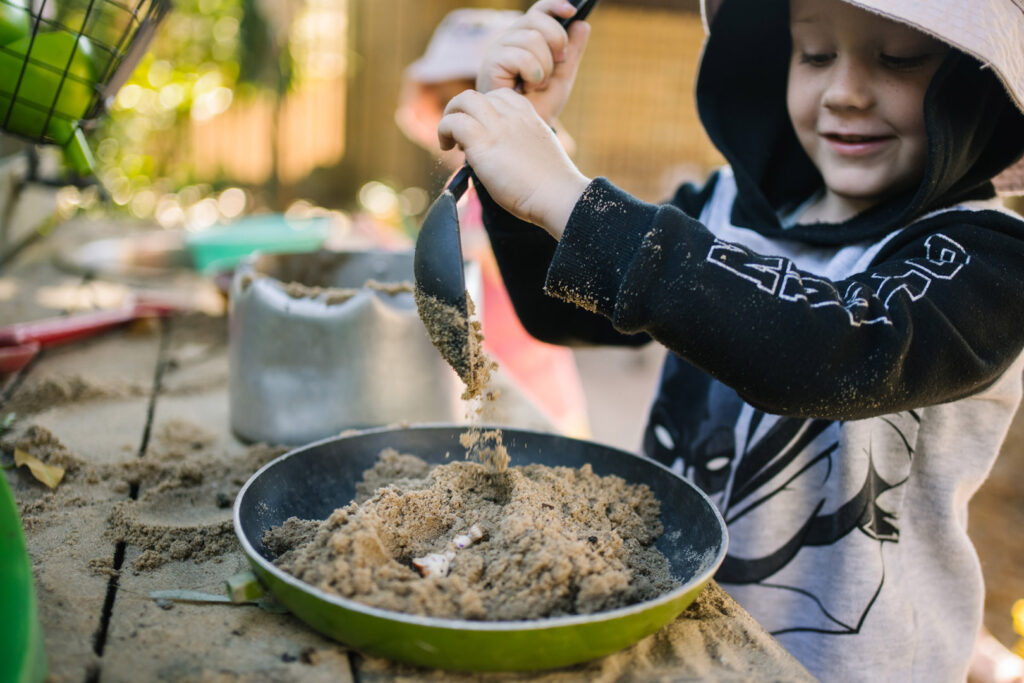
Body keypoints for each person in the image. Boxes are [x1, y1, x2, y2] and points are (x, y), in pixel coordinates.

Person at [436, 0, 1024, 679]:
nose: (845, 92)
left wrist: (572, 199)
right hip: (677, 634)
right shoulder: (722, 209)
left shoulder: (985, 260)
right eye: (815, 55)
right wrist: (527, 168)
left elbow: (832, 350)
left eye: (897, 60)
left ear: (974, 85)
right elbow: (564, 312)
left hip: (843, 661)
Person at [397, 8, 589, 437]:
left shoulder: (530, 179)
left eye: (478, 97)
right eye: (451, 102)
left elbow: (536, 261)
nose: (466, 116)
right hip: (489, 366)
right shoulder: (462, 183)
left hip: (534, 367)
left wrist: (477, 250)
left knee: (556, 453)